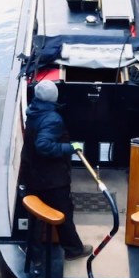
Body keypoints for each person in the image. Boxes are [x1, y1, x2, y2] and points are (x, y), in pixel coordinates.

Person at [21, 79, 93, 260]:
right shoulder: (52, 119)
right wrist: (70, 148)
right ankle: (74, 250)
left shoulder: (32, 110)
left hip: (32, 173)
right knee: (64, 212)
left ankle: (34, 255)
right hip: (52, 179)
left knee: (35, 218)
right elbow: (43, 145)